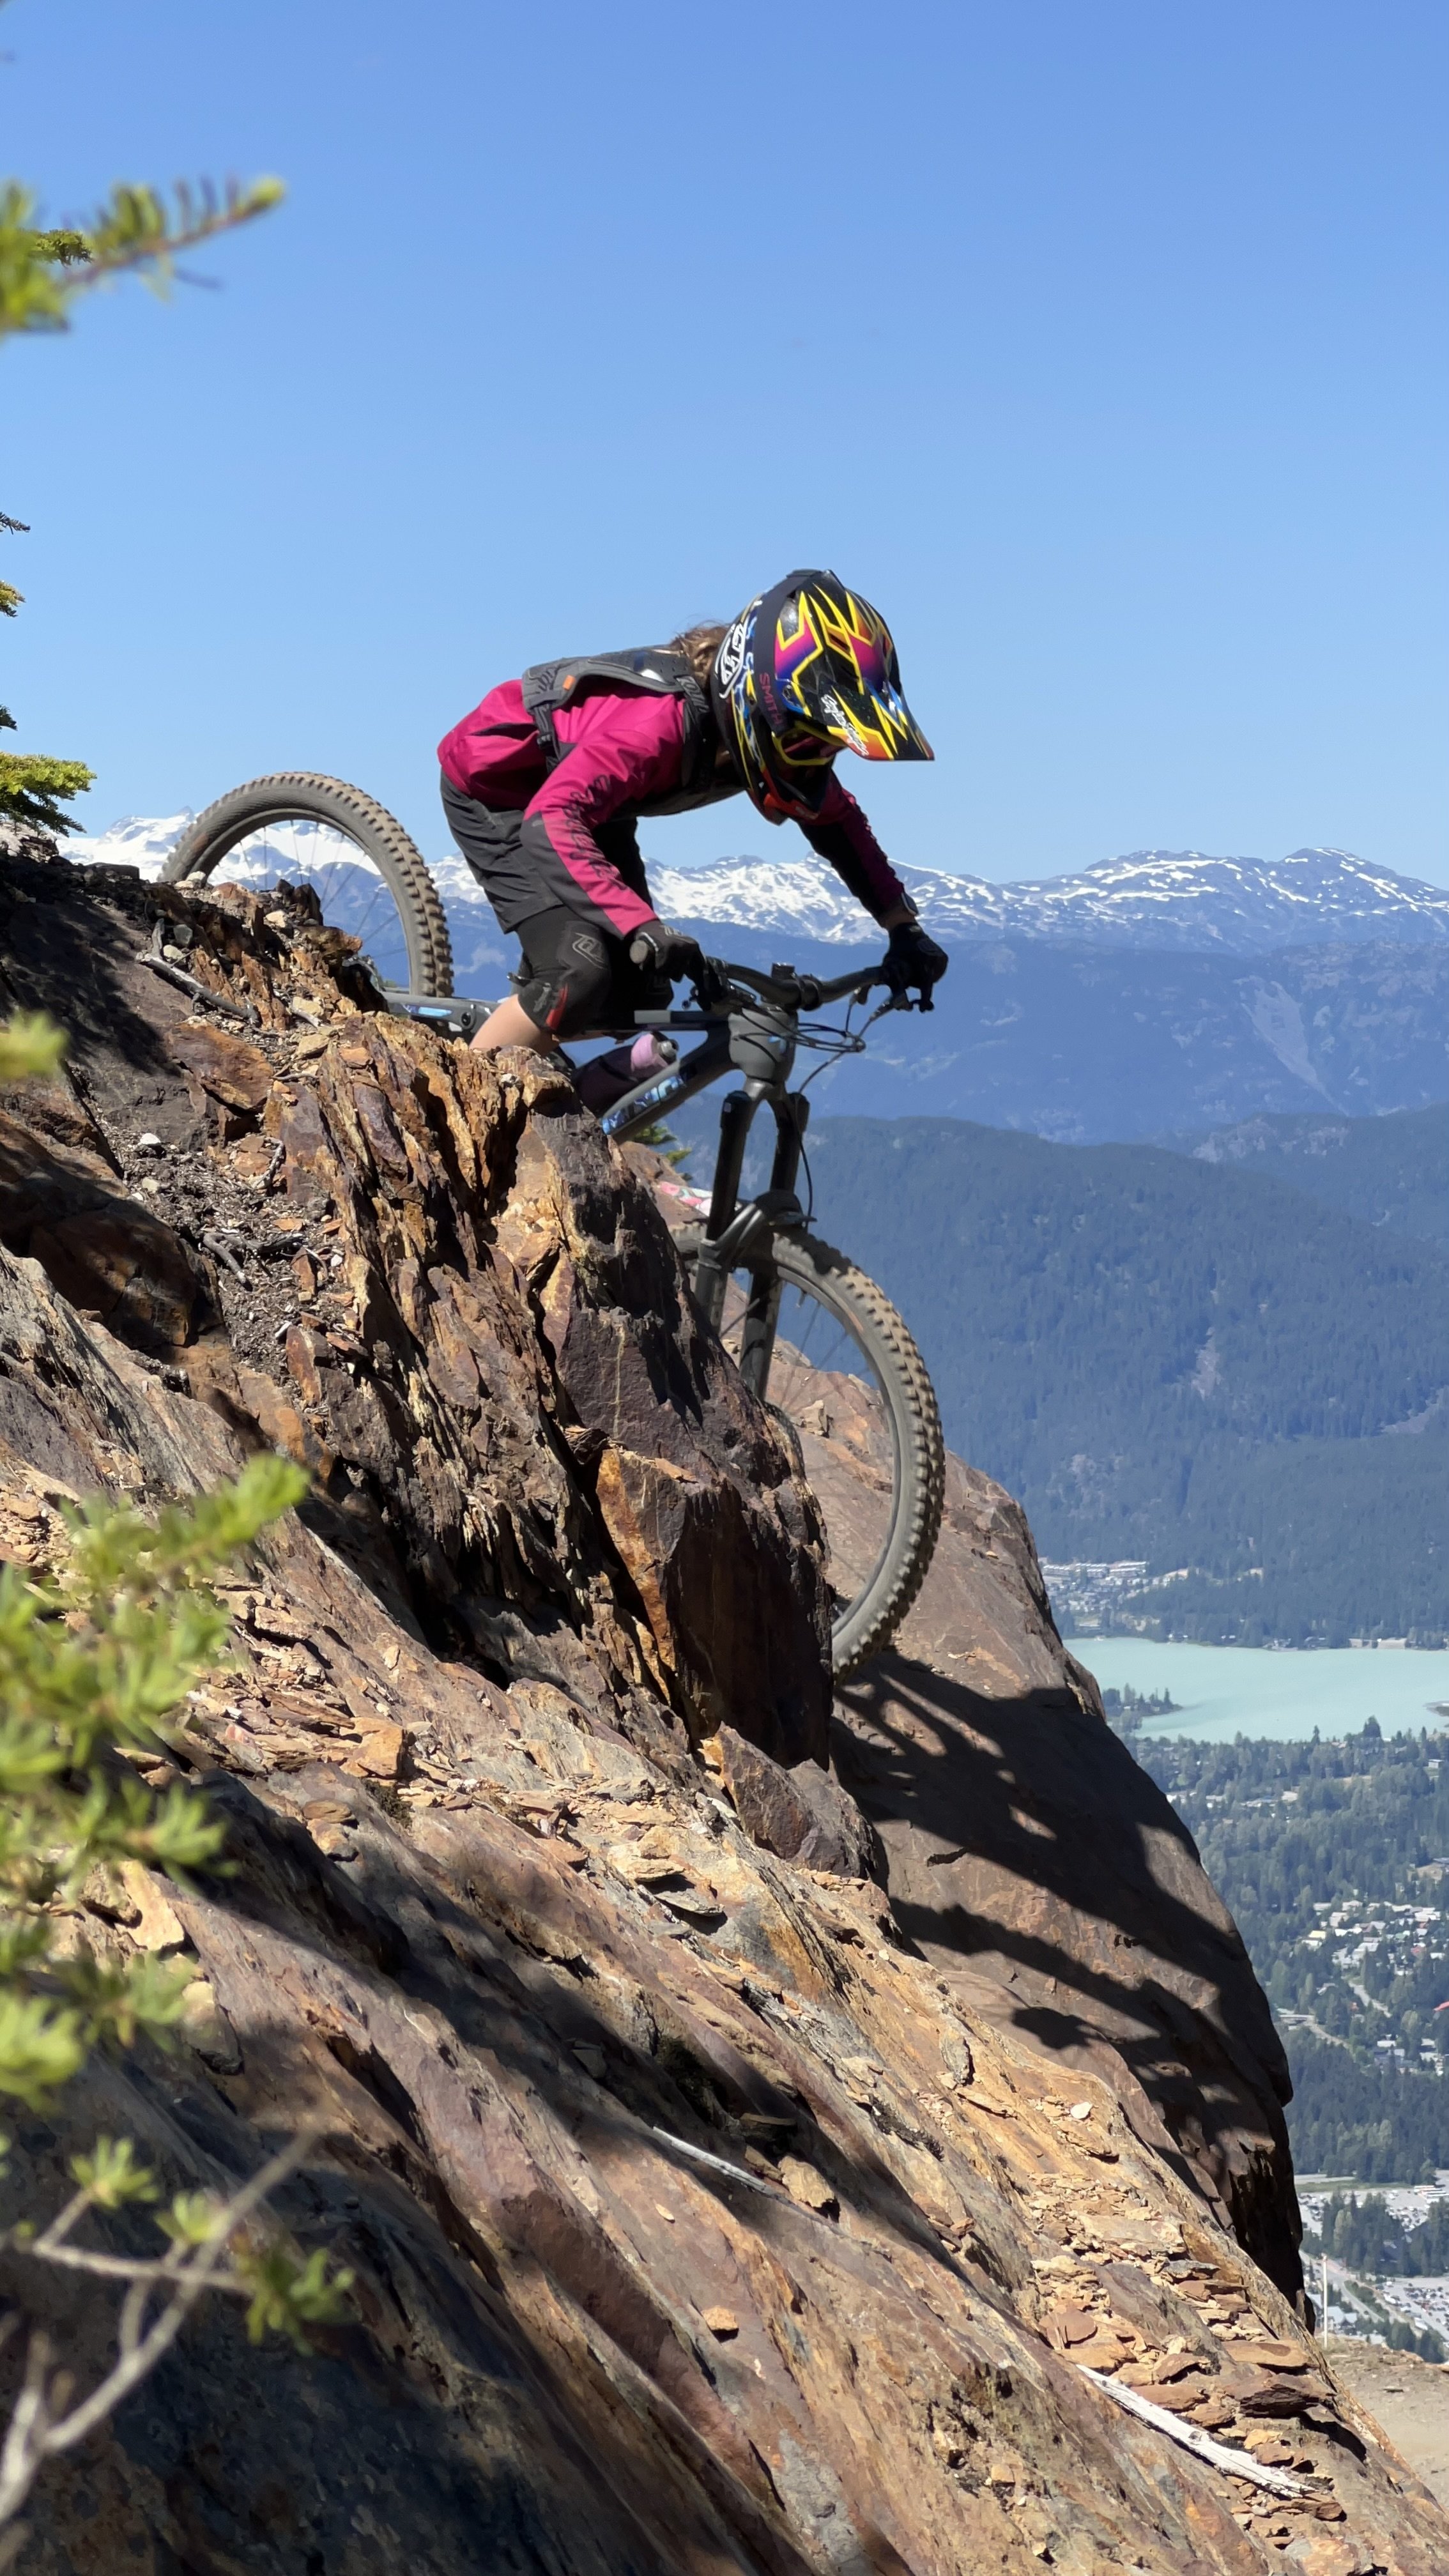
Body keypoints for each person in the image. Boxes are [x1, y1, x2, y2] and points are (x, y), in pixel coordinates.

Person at [436, 568, 948, 1062]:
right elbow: (551, 821)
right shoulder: (657, 726)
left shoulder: (761, 737)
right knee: (577, 974)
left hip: (591, 806)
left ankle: (546, 1068)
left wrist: (903, 928)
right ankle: (460, 1108)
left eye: (828, 746)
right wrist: (641, 924)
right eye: (808, 739)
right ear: (758, 701)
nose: (815, 759)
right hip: (501, 789)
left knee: (641, 996)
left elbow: (837, 823)